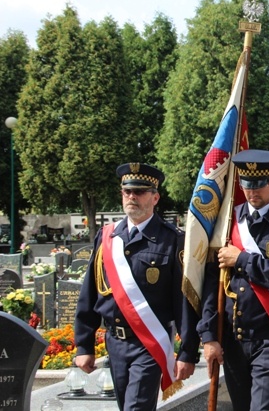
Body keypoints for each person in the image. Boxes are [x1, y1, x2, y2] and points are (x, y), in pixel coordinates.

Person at [74, 163, 199, 411]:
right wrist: (83, 345)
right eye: (127, 192)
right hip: (115, 343)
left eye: (140, 192)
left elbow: (182, 300)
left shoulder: (172, 239)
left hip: (149, 342)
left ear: (155, 197)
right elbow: (90, 292)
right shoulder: (107, 236)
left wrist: (188, 351)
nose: (132, 197)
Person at [197, 149, 269, 411]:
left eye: (259, 185)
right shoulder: (228, 222)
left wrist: (242, 260)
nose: (252, 192)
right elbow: (212, 285)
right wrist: (208, 336)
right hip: (234, 340)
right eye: (247, 185)